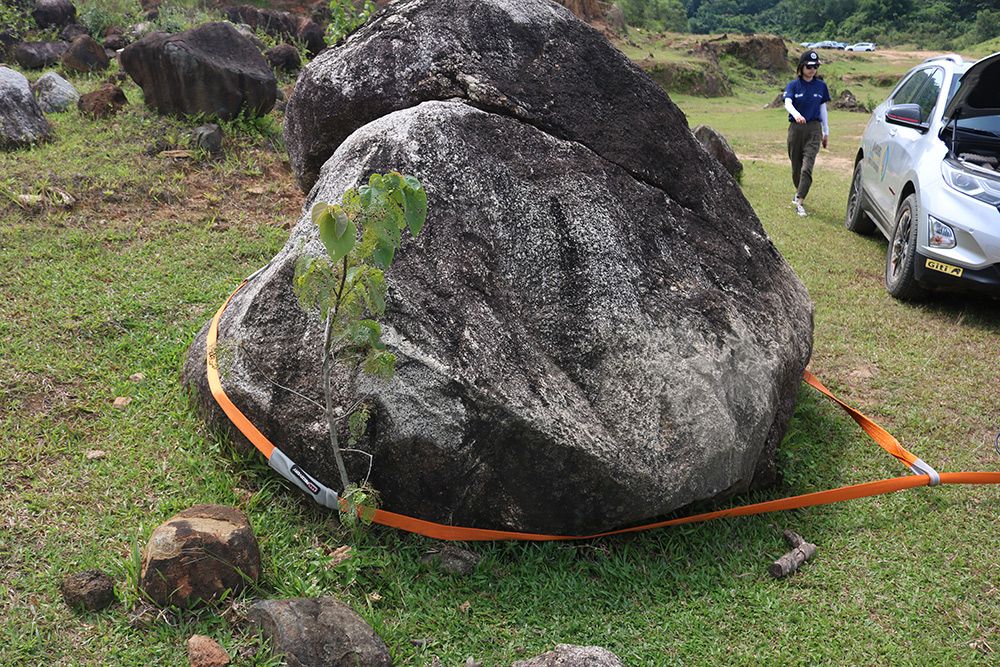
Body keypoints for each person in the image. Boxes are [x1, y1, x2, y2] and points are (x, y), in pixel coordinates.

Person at [783, 50, 830, 217]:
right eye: (809, 66)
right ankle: (798, 191)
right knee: (796, 168)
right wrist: (796, 114)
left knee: (807, 167)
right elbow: (788, 103)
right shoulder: (793, 85)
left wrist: (826, 132)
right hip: (796, 129)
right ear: (801, 67)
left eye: (816, 66)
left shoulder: (821, 87)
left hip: (814, 129)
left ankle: (800, 201)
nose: (812, 69)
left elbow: (823, 109)